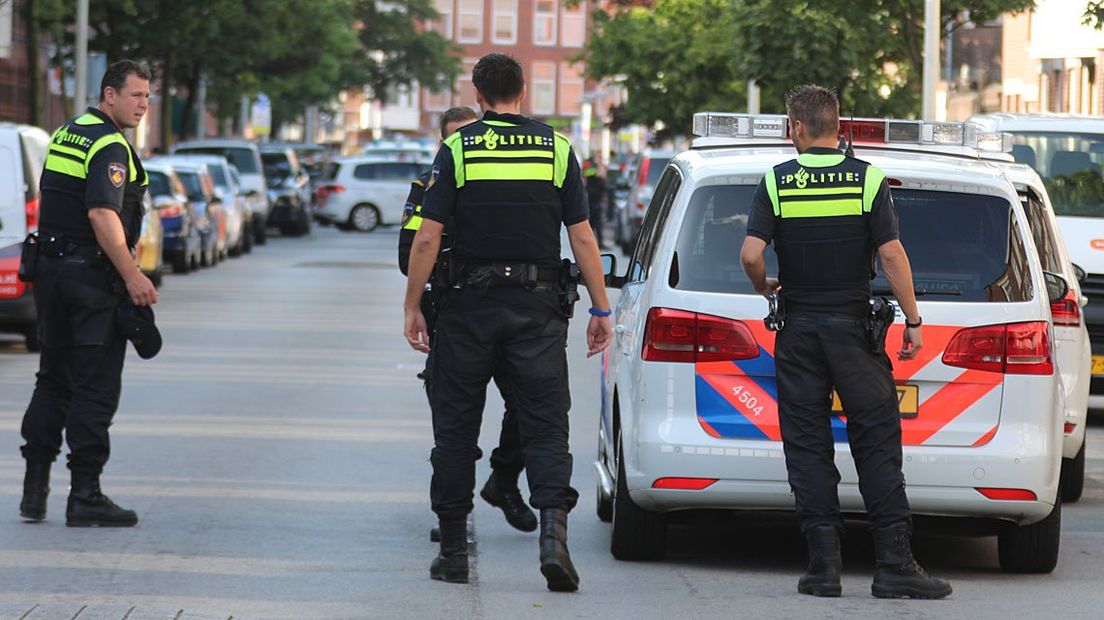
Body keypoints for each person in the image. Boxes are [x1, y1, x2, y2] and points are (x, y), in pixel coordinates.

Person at [403, 53, 612, 592]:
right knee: (546, 425)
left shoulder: (458, 148)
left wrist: (411, 306)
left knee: (455, 431)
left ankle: (452, 554)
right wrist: (600, 306)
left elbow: (427, 236)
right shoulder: (557, 148)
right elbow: (583, 236)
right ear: (523, 93)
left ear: (477, 95)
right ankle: (553, 542)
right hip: (537, 311)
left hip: (466, 309)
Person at [739, 84, 952, 600]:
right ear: (838, 127)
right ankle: (895, 564)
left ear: (795, 128)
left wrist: (762, 285)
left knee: (808, 445)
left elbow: (750, 253)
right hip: (855, 332)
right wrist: (915, 320)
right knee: (877, 442)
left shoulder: (777, 182)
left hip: (799, 332)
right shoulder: (867, 180)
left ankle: (823, 568)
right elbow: (893, 255)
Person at [19, 60, 156, 528]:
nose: (143, 105)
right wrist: (133, 276)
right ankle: (85, 494)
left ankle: (33, 492)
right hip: (90, 280)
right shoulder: (109, 144)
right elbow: (102, 214)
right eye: (135, 95)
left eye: (146, 96)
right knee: (94, 387)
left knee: (53, 377)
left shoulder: (68, 131)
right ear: (109, 95)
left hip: (51, 274)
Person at [398, 106, 537, 541]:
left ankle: (503, 479)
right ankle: (451, 516)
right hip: (451, 313)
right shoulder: (427, 187)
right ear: (442, 144)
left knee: (528, 404)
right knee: (453, 422)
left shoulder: (501, 182)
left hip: (506, 311)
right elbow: (409, 255)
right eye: (455, 137)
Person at [583, 157, 606, 247]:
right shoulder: (591, 168)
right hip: (592, 198)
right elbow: (599, 175)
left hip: (596, 197)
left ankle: (598, 242)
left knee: (597, 222)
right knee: (594, 222)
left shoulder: (592, 168)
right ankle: (592, 242)